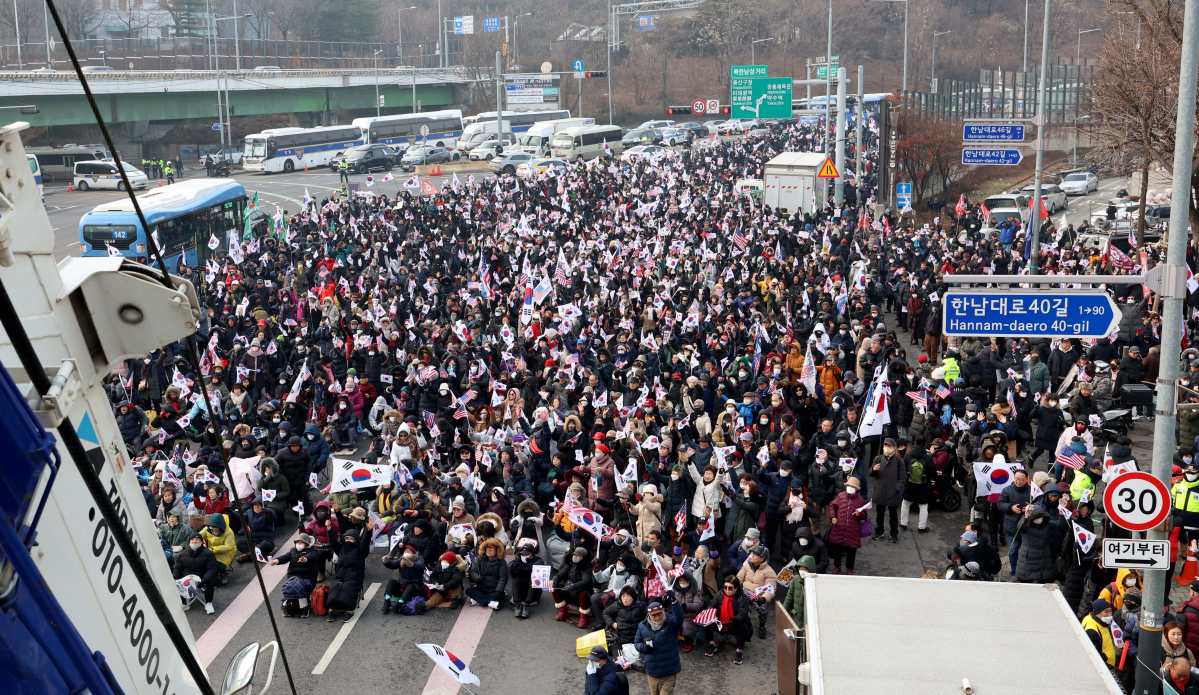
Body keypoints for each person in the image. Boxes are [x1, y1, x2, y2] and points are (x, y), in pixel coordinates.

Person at [634, 591, 685, 695]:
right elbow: (636, 643)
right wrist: (643, 647)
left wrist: (674, 602)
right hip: (652, 672)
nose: (657, 617)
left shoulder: (671, 622)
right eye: (654, 615)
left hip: (669, 671)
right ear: (648, 615)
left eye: (659, 613)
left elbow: (680, 618)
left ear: (663, 611)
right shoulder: (642, 626)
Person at [702, 576, 752, 664]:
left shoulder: (743, 598)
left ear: (736, 588)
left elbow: (742, 615)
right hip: (721, 622)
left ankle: (739, 650)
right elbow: (711, 605)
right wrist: (713, 615)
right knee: (707, 621)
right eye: (725, 587)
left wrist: (731, 621)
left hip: (734, 624)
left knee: (742, 626)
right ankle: (712, 644)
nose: (727, 590)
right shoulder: (720, 594)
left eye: (730, 588)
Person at [270, 533, 321, 617]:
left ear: (306, 544)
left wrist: (305, 559)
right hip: (293, 577)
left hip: (307, 578)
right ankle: (286, 606)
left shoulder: (313, 551)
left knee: (299, 587)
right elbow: (285, 557)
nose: (298, 544)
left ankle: (305, 607)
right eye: (297, 542)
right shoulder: (292, 551)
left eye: (301, 542)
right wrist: (276, 561)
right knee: (288, 587)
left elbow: (311, 556)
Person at [826, 476, 866, 574]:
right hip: (839, 528)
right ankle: (837, 566)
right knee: (837, 549)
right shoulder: (841, 496)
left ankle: (849, 568)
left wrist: (859, 514)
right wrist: (833, 517)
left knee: (851, 550)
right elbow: (832, 505)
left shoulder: (861, 501)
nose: (849, 487)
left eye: (852, 486)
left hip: (853, 530)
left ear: (856, 489)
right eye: (848, 485)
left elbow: (864, 516)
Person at [173, 532, 219, 614]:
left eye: (197, 539)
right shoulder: (183, 554)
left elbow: (211, 569)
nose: (194, 541)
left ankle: (208, 603)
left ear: (201, 541)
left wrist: (205, 579)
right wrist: (174, 578)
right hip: (187, 580)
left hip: (202, 579)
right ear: (189, 542)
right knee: (176, 583)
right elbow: (178, 569)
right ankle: (184, 603)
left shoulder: (209, 554)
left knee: (210, 581)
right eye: (192, 539)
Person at [466, 537, 509, 609]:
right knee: (469, 591)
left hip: (494, 589)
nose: (489, 550)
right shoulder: (480, 559)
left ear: (497, 550)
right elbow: (473, 571)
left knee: (499, 595)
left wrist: (498, 590)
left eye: (492, 548)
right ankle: (489, 602)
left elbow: (503, 578)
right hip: (482, 588)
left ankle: (479, 600)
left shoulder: (501, 562)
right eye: (487, 548)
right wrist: (477, 578)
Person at [1082, 598, 1118, 669]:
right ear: (1097, 613)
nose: (1110, 614)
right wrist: (1111, 669)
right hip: (1104, 668)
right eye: (1106, 612)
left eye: (1110, 611)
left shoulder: (1099, 622)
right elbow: (1095, 657)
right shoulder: (1092, 631)